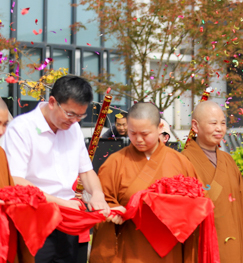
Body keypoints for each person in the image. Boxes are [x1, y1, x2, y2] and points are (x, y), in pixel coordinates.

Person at [2, 75, 112, 263]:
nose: (75, 121)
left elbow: (86, 171)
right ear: (52, 102)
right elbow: (16, 180)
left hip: (67, 218)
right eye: (70, 114)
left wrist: (97, 194)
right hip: (35, 217)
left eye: (81, 116)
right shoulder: (21, 128)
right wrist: (60, 202)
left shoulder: (74, 128)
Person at [89, 102, 199, 263]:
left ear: (159, 127)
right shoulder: (114, 163)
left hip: (169, 252)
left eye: (145, 133)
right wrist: (113, 211)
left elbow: (197, 203)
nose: (138, 139)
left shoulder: (180, 162)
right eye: (132, 133)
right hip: (130, 249)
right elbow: (102, 202)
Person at [182, 101, 243, 263]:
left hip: (234, 240)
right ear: (195, 126)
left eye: (223, 123)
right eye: (213, 123)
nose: (219, 128)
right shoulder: (184, 161)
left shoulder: (228, 160)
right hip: (203, 244)